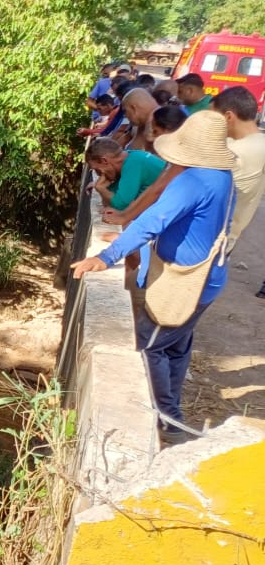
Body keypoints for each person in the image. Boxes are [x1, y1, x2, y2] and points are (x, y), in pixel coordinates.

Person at [71, 111, 237, 444]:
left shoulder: (193, 181)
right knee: (175, 346)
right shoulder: (221, 176)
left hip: (185, 282)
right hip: (208, 276)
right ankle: (171, 411)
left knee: (149, 345)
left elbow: (155, 221)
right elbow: (180, 224)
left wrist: (107, 257)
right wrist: (130, 242)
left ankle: (169, 422)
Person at [211, 86, 265, 252]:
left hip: (207, 239)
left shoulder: (232, 152)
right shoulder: (260, 143)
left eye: (213, 117)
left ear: (228, 117)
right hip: (228, 239)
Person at [87, 138, 166, 212]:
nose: (98, 174)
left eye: (97, 169)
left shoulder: (133, 164)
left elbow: (121, 206)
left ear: (104, 160)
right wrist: (104, 188)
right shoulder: (130, 157)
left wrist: (101, 189)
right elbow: (110, 202)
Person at [121, 88, 159, 152]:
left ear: (134, 108)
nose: (125, 115)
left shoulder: (159, 125)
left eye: (125, 111)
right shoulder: (144, 122)